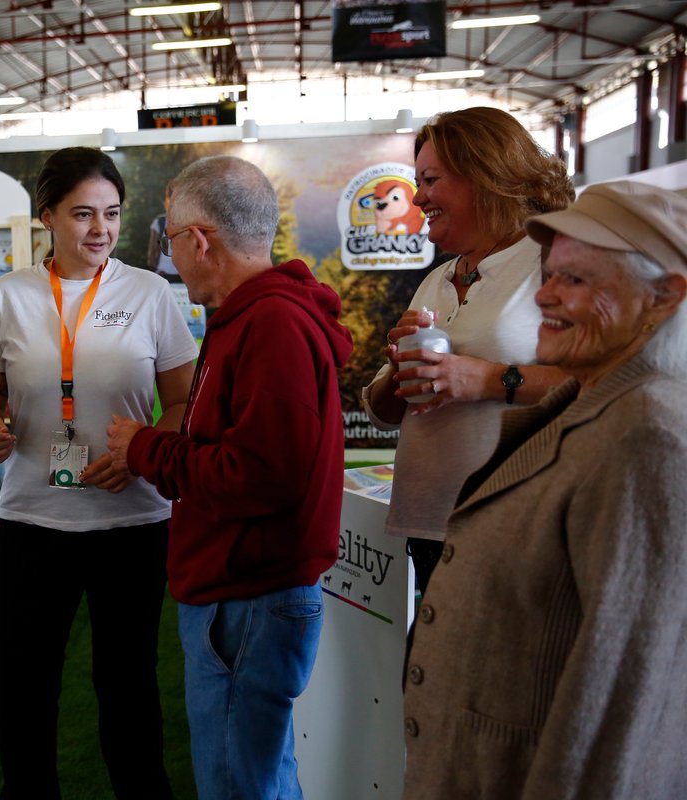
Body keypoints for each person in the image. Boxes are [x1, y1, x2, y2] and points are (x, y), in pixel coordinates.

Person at [403, 180, 687, 798]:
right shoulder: (584, 402)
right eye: (550, 274)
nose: (544, 295)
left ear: (664, 298)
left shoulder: (649, 434)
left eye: (576, 281)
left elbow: (619, 702)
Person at [107, 155, 352, 800]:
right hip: (246, 591)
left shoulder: (270, 323)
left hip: (248, 595)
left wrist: (146, 450)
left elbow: (262, 476)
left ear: (200, 239)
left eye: (171, 237)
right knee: (261, 777)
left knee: (239, 785)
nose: (170, 256)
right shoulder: (256, 317)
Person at [0, 146, 197, 800]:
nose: (100, 229)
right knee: (24, 681)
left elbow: (184, 401)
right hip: (33, 518)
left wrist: (143, 449)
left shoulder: (150, 291)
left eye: (112, 214)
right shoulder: (8, 297)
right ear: (47, 217)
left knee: (128, 681)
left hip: (132, 519)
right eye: (82, 214)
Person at [361, 107, 574, 594]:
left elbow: (603, 381)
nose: (417, 198)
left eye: (431, 180)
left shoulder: (553, 261)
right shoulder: (439, 278)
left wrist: (481, 379)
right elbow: (382, 410)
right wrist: (401, 369)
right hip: (429, 521)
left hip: (512, 521)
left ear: (488, 174)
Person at [146, 184, 182, 282]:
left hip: (184, 275)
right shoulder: (160, 221)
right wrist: (155, 272)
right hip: (163, 272)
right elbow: (152, 251)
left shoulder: (191, 222)